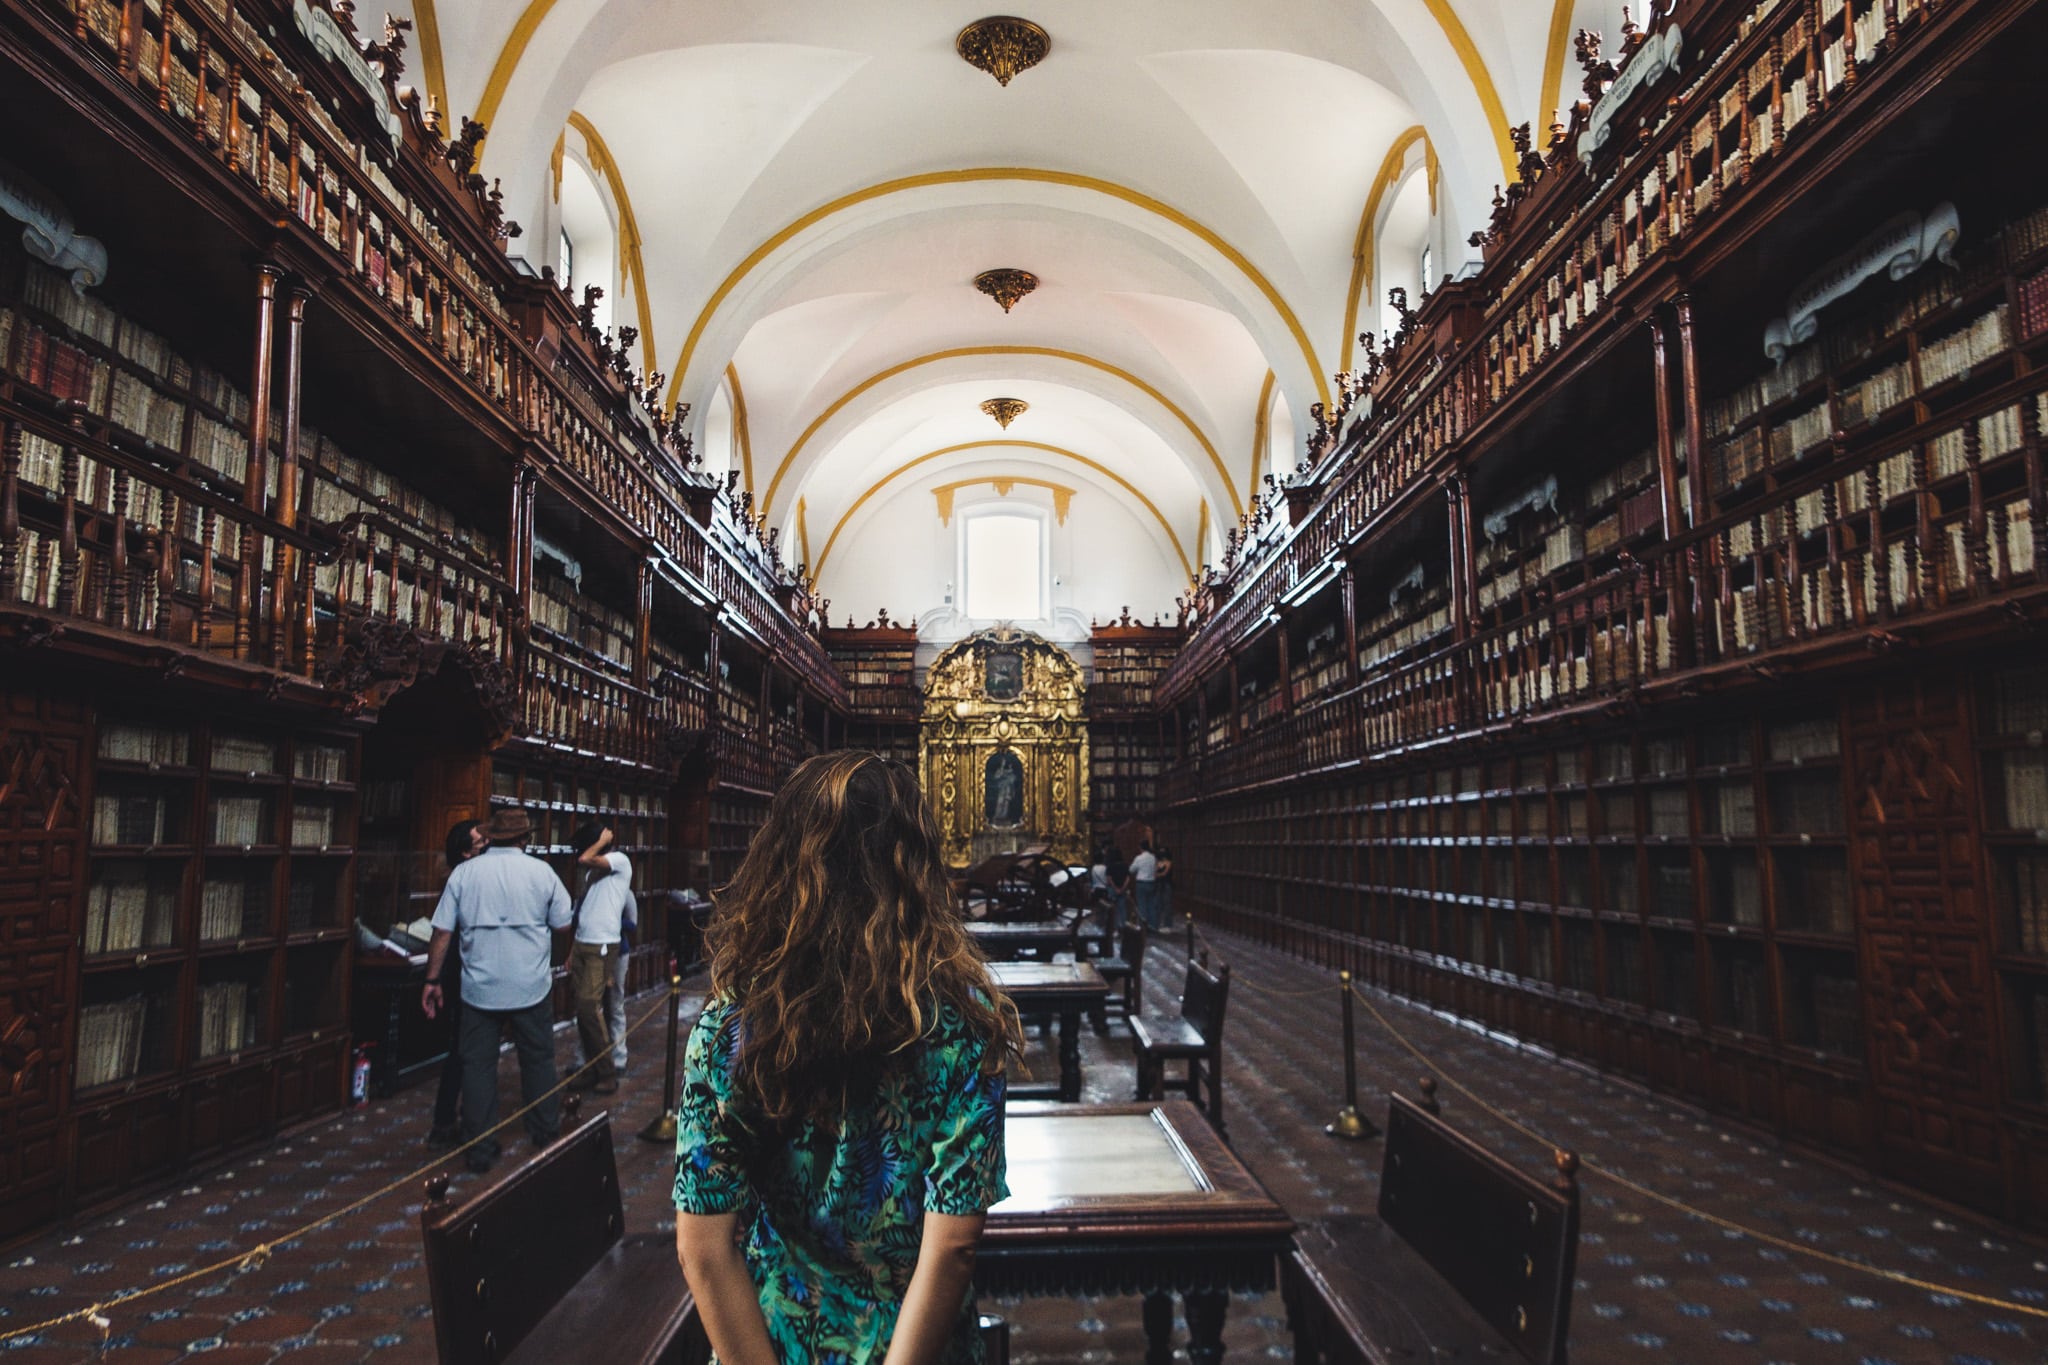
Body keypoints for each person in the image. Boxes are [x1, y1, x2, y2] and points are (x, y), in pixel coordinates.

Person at [674, 752, 1023, 1365]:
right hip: (914, 1339)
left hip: (774, 1333)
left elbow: (703, 1244)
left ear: (779, 861)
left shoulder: (731, 1024)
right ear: (914, 867)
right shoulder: (964, 1024)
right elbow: (953, 1247)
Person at [422, 807, 573, 1173]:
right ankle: (545, 1134)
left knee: (478, 1068)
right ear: (525, 838)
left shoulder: (464, 874)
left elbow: (442, 931)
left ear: (491, 837)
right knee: (537, 1060)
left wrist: (432, 980)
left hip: (479, 988)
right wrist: (555, 960)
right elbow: (564, 925)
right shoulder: (543, 873)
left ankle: (480, 1149)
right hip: (530, 986)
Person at [425, 818, 486, 1148]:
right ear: (465, 852)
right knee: (464, 1050)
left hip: (478, 972)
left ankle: (459, 1120)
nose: (488, 848)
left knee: (471, 1050)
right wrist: (433, 978)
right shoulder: (462, 879)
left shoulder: (474, 876)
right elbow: (443, 932)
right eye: (481, 845)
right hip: (463, 973)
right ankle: (447, 1123)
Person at [568, 820, 636, 1095]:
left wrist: (602, 840)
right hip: (583, 943)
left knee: (588, 1008)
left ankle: (607, 1072)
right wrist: (571, 951)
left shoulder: (620, 860)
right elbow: (584, 910)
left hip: (603, 945)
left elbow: (584, 858)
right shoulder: (592, 874)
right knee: (583, 1012)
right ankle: (591, 1069)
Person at [1130, 838, 1161, 931]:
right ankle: (1153, 925)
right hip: (1151, 882)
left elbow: (1132, 870)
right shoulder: (1153, 857)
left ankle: (1143, 926)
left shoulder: (1139, 858)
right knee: (1152, 904)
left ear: (1140, 847)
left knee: (1142, 904)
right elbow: (1156, 869)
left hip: (1141, 883)